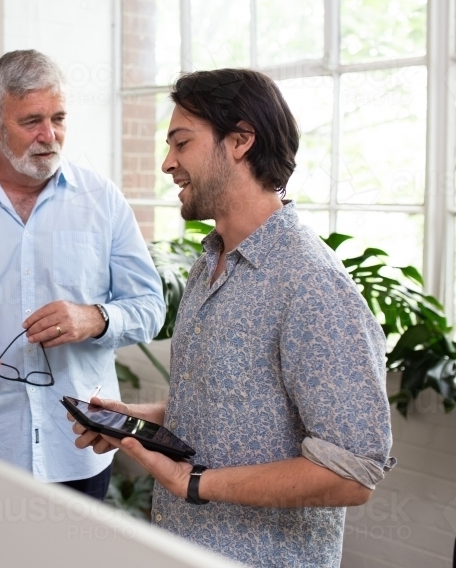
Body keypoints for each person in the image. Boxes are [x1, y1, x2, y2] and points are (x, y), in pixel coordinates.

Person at [70, 69, 395, 567]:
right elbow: (227, 409)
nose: (167, 163)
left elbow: (352, 473)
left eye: (181, 143)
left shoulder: (311, 284)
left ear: (241, 141)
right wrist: (135, 420)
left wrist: (195, 483)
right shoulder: (210, 264)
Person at [0, 50, 165, 500]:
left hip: (78, 444)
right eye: (31, 121)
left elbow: (150, 307)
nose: (49, 135)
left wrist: (94, 318)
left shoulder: (102, 200)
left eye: (59, 118)